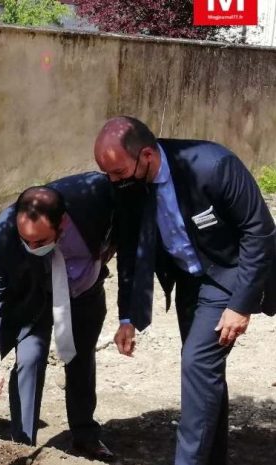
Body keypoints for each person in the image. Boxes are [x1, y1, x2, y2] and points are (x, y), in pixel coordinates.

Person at [94, 116, 276, 465]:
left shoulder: (213, 166)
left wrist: (241, 304)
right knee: (204, 374)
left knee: (195, 363)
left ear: (146, 155)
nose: (112, 182)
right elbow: (132, 248)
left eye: (117, 172)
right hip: (189, 281)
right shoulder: (129, 186)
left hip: (228, 275)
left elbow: (260, 231)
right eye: (108, 175)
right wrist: (128, 316)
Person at [0, 174, 115, 461]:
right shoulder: (1, 237)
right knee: (29, 360)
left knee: (81, 358)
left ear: (61, 224)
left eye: (40, 241)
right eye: (26, 241)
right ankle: (23, 444)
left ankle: (85, 436)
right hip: (33, 298)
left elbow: (128, 224)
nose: (32, 247)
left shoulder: (96, 199)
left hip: (83, 292)